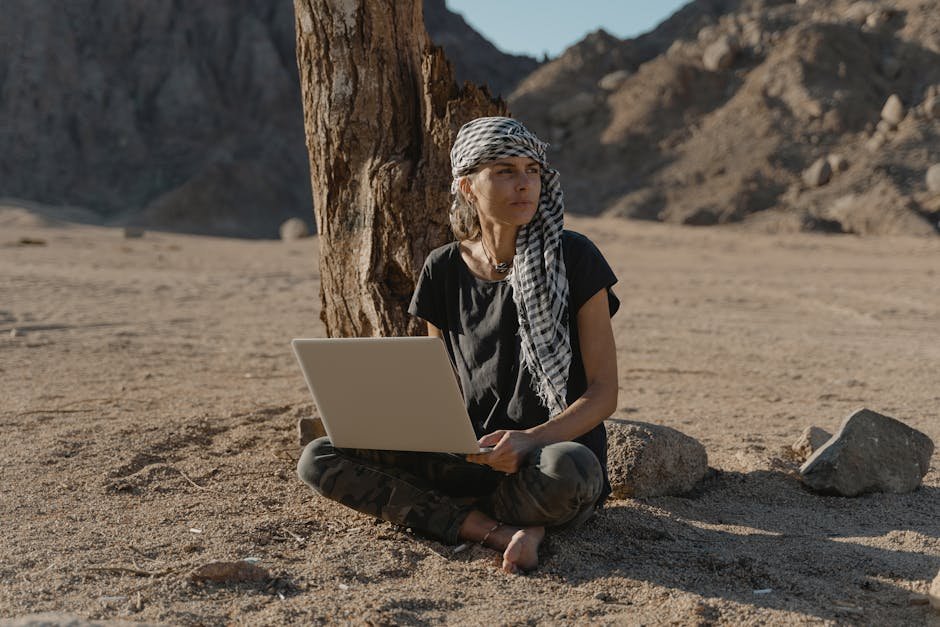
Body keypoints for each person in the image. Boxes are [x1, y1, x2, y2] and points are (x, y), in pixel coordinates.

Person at [297, 116, 620, 574]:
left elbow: (603, 392)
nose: (524, 184)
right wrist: (439, 440)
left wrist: (529, 440)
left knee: (573, 470)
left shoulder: (576, 258)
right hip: (470, 456)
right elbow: (439, 384)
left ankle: (472, 513)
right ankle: (498, 529)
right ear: (468, 187)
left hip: (545, 457)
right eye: (505, 171)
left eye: (532, 170)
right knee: (320, 456)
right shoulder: (443, 268)